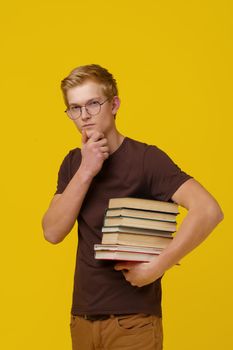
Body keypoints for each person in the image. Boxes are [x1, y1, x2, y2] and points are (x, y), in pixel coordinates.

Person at [42, 64, 224, 350]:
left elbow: (208, 210)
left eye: (93, 104)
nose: (84, 116)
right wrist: (87, 170)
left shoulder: (146, 159)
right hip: (82, 320)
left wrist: (157, 267)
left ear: (114, 104)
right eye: (74, 108)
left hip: (132, 322)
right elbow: (52, 232)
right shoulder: (73, 164)